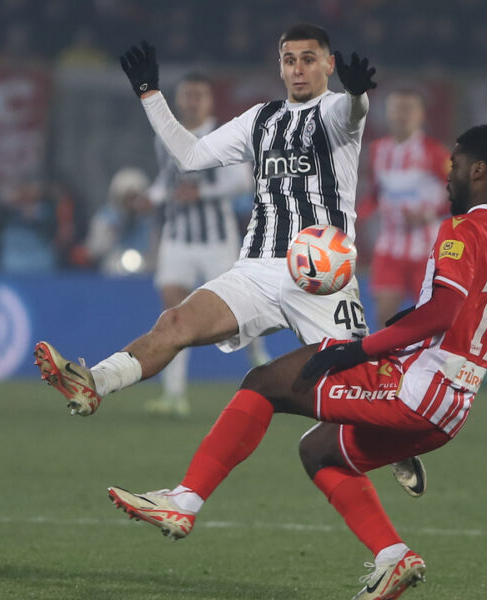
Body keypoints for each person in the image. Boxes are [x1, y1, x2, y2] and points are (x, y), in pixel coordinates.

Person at [105, 125, 487, 599]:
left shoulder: (462, 229)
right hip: (452, 409)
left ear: (478, 171)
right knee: (320, 451)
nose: (447, 174)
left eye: (455, 164)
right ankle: (393, 556)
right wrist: (461, 334)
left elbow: (442, 312)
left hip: (414, 387)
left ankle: (185, 501)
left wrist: (359, 349)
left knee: (265, 382)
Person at [35, 24, 425, 493]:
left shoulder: (337, 111)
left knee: (359, 384)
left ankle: (395, 442)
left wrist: (358, 94)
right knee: (175, 322)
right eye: (289, 60)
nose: (298, 69)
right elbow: (191, 156)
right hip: (256, 268)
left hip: (322, 276)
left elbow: (354, 111)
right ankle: (93, 383)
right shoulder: (260, 119)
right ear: (280, 66)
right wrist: (150, 94)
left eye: (308, 59)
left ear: (328, 64)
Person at [144, 71, 269, 417]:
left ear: (210, 101)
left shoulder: (223, 135)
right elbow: (166, 181)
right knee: (172, 312)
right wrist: (149, 197)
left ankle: (258, 354)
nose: (193, 102)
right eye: (188, 95)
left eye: (199, 95)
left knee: (236, 311)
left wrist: (202, 193)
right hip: (177, 238)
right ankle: (174, 394)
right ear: (178, 99)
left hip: (217, 240)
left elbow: (241, 181)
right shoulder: (165, 136)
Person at [361, 89, 449, 330]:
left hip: (427, 252)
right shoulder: (378, 150)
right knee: (384, 318)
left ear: (421, 115)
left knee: (432, 322)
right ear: (387, 114)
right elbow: (375, 194)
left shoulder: (435, 152)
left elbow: (457, 194)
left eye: (408, 109)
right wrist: (354, 217)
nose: (402, 115)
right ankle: (386, 356)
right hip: (389, 249)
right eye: (397, 109)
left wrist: (428, 214)